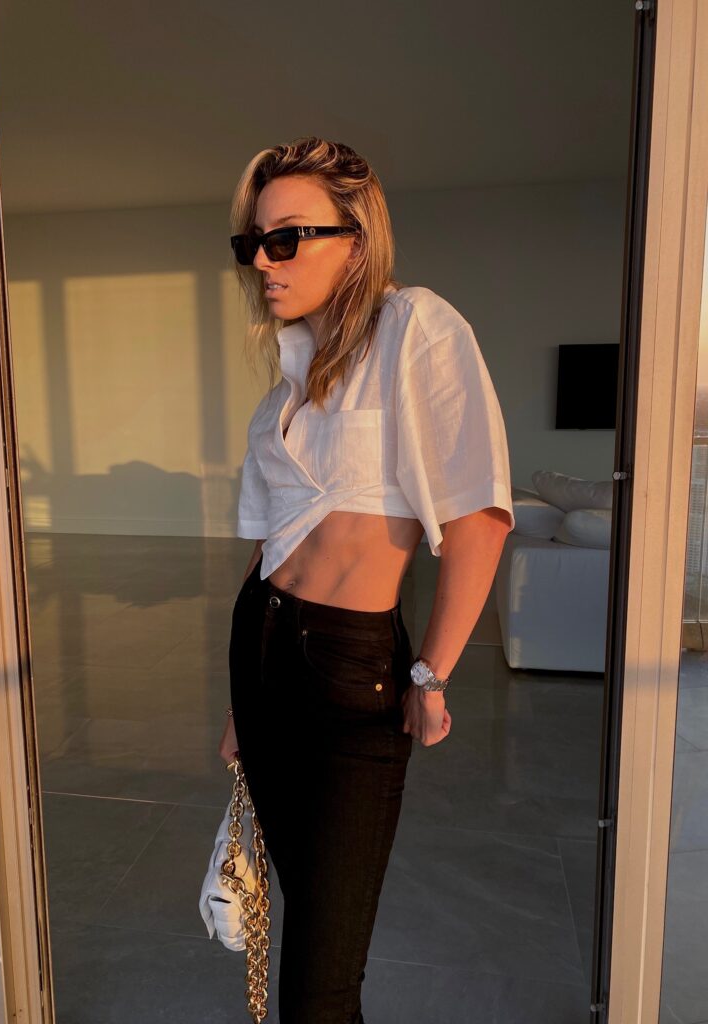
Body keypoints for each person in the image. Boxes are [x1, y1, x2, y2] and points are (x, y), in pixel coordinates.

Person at [218, 136, 515, 1023]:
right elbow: (273, 542)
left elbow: (477, 516)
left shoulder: (415, 327)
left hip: (350, 669)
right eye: (252, 242)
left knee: (322, 979)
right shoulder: (287, 383)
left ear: (355, 239)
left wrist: (432, 672)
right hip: (261, 648)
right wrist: (241, 702)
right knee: (304, 913)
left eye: (285, 238)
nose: (262, 261)